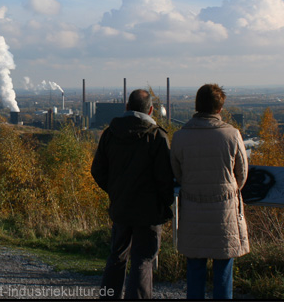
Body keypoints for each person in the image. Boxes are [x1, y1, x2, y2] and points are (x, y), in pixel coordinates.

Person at [91, 89, 174, 299]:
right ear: (152, 110)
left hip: (121, 207)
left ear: (127, 107)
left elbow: (98, 170)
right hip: (149, 211)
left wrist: (116, 191)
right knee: (143, 259)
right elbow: (166, 178)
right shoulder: (156, 136)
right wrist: (165, 205)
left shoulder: (110, 134)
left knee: (117, 256)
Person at [170, 83, 249, 300]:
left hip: (193, 210)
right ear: (219, 108)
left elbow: (177, 172)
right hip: (224, 212)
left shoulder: (180, 136)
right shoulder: (232, 135)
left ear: (197, 105)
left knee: (195, 267)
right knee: (223, 269)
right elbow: (242, 174)